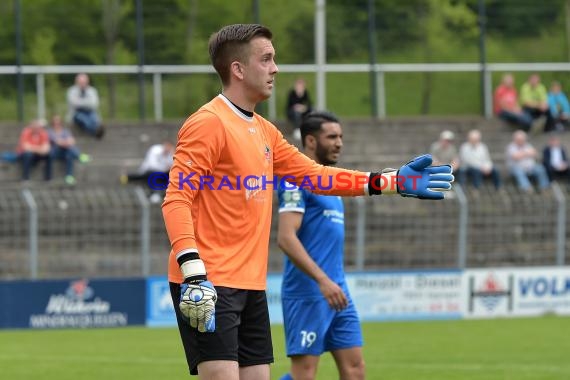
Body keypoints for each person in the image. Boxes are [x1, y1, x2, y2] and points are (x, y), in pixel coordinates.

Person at [162, 24, 453, 380]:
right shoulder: (208, 123)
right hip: (207, 281)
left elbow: (317, 176)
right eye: (266, 59)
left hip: (250, 284)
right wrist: (193, 272)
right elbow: (176, 197)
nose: (275, 68)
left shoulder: (265, 131)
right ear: (238, 69)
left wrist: (390, 181)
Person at [277, 111, 364, 380]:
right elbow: (286, 238)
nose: (339, 143)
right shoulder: (295, 179)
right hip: (308, 291)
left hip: (338, 289)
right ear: (311, 141)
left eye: (341, 137)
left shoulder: (331, 183)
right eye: (332, 137)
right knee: (304, 374)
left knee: (355, 370)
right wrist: (322, 280)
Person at [48, 114, 90, 185]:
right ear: (52, 122)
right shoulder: (50, 132)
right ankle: (79, 156)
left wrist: (65, 143)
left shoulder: (65, 131)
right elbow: (58, 142)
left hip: (66, 152)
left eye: (58, 121)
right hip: (55, 153)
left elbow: (72, 141)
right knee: (69, 149)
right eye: (55, 121)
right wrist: (66, 143)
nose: (57, 123)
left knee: (69, 154)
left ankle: (69, 176)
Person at [66, 73, 105, 138]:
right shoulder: (72, 91)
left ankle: (97, 130)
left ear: (87, 82)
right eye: (80, 82)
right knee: (83, 118)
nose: (82, 84)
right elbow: (74, 103)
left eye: (84, 82)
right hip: (76, 113)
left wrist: (80, 102)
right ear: (76, 82)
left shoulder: (92, 90)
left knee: (94, 118)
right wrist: (87, 102)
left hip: (90, 112)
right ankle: (95, 131)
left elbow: (94, 104)